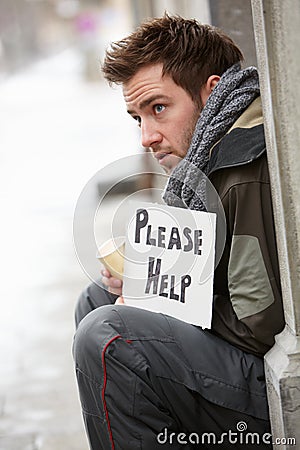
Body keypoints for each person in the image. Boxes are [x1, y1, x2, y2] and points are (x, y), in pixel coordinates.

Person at [73, 14, 284, 449]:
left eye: (159, 108)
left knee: (108, 335)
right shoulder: (207, 156)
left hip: (268, 387)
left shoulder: (241, 164)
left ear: (210, 92)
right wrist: (148, 277)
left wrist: (155, 301)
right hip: (239, 359)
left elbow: (257, 326)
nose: (147, 137)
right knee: (96, 299)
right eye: (138, 118)